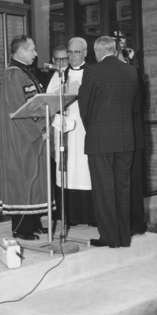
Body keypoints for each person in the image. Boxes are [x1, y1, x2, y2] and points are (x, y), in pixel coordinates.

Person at [78, 35, 139, 247]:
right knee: (123, 188)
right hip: (125, 139)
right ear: (113, 50)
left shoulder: (92, 72)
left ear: (98, 51)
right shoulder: (131, 71)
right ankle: (123, 236)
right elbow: (135, 107)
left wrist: (93, 130)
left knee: (104, 189)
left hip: (100, 140)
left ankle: (109, 237)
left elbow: (84, 107)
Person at [0, 35, 48, 240]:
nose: (36, 54)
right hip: (21, 138)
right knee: (23, 180)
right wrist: (39, 131)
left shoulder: (26, 73)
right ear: (20, 51)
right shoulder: (13, 75)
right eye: (32, 49)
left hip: (34, 135)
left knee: (35, 180)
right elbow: (17, 110)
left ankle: (34, 223)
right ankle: (21, 228)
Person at [47, 38, 95, 226]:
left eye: (77, 52)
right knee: (68, 170)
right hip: (66, 129)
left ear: (85, 53)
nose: (72, 56)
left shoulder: (93, 72)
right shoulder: (60, 74)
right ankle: (69, 216)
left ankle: (91, 216)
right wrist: (65, 90)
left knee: (86, 172)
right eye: (70, 52)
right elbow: (49, 100)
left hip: (85, 129)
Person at [115, 30, 147, 235]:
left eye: (125, 48)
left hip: (132, 134)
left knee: (132, 181)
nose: (123, 52)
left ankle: (134, 222)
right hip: (117, 135)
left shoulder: (134, 73)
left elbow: (136, 104)